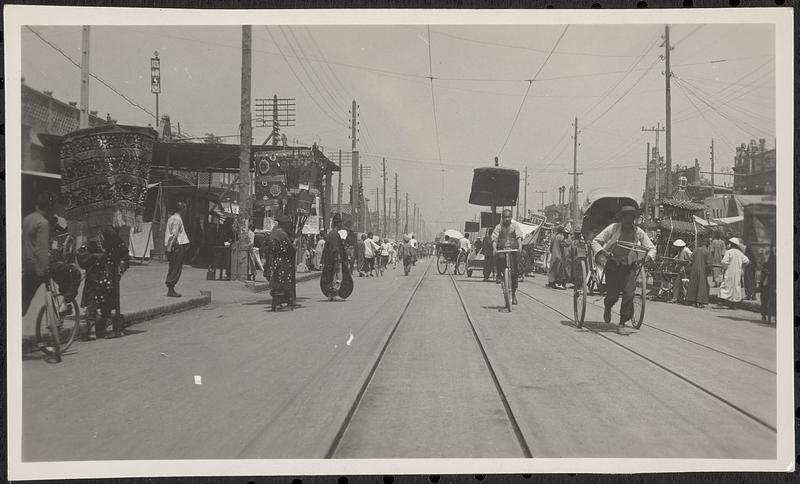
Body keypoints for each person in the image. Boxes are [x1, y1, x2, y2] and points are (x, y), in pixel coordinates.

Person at [592, 205, 656, 332]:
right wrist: (603, 252)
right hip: (613, 265)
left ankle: (621, 323)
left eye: (631, 217)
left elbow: (651, 247)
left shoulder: (638, 231)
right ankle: (608, 307)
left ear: (634, 219)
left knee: (629, 294)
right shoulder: (614, 228)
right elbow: (596, 241)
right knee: (613, 295)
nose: (629, 220)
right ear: (622, 218)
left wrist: (648, 257)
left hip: (628, 266)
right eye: (626, 217)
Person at [22, 192, 54, 316]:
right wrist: (44, 269)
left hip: (26, 263)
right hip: (37, 266)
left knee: (24, 299)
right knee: (69, 274)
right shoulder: (43, 223)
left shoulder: (28, 218)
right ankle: (63, 305)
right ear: (48, 207)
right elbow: (42, 250)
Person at [492, 209, 524, 305]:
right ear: (502, 218)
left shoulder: (515, 226)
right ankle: (499, 275)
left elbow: (519, 236)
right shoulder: (498, 227)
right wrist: (494, 247)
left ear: (511, 217)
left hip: (512, 250)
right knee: (499, 258)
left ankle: (513, 295)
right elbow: (494, 238)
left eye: (508, 217)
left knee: (514, 273)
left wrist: (520, 246)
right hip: (502, 249)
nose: (507, 219)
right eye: (505, 217)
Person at [268, 214, 296, 311]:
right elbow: (290, 248)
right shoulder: (282, 234)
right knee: (283, 283)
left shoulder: (273, 233)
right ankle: (282, 304)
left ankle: (275, 304)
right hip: (283, 262)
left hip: (274, 261)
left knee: (276, 283)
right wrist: (294, 246)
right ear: (284, 224)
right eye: (288, 224)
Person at [165, 202, 190, 297]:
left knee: (173, 266)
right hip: (177, 246)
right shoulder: (177, 219)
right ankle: (171, 287)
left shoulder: (172, 218)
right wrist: (170, 247)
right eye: (185, 209)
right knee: (176, 267)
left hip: (174, 246)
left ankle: (171, 287)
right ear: (182, 209)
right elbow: (174, 234)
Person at [717, 237, 749, 307]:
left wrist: (724, 268)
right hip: (737, 272)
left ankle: (720, 302)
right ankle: (733, 304)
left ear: (731, 244)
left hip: (729, 272)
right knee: (735, 287)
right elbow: (747, 261)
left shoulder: (729, 252)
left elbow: (723, 262)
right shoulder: (740, 253)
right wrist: (742, 267)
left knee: (725, 286)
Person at [321, 214, 346, 301]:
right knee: (337, 276)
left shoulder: (331, 233)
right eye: (340, 223)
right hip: (335, 259)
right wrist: (337, 259)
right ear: (338, 224)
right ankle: (335, 294)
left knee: (331, 276)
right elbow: (335, 248)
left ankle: (330, 295)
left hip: (330, 259)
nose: (341, 225)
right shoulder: (335, 234)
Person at [685, 237, 711, 308]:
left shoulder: (696, 250)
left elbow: (690, 261)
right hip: (702, 270)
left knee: (693, 284)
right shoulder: (707, 252)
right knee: (702, 286)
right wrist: (709, 271)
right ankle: (700, 301)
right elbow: (708, 264)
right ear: (707, 244)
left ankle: (690, 299)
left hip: (694, 269)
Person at [760, 246, 775, 322]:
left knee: (767, 298)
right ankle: (764, 315)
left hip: (771, 281)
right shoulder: (766, 262)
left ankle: (766, 315)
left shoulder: (770, 261)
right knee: (765, 298)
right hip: (767, 281)